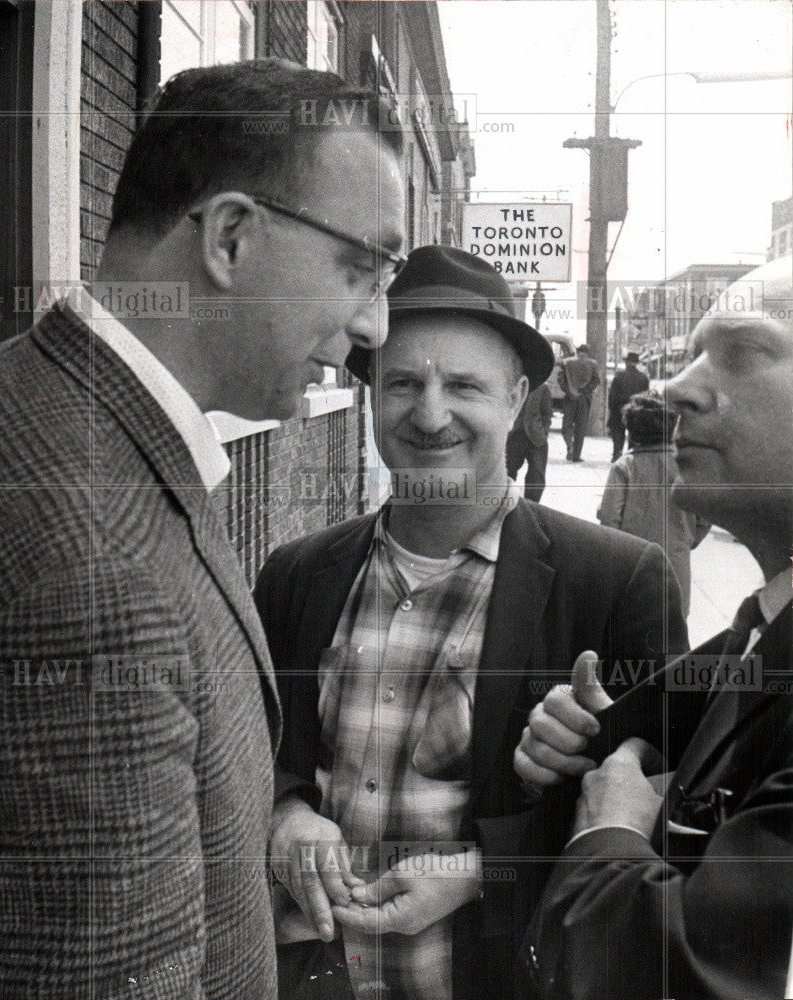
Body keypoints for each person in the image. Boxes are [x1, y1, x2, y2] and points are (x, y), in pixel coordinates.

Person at [0, 60, 405, 999]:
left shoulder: (36, 403)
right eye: (360, 268)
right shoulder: (97, 572)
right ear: (231, 237)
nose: (374, 326)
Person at [254, 245, 687, 1000]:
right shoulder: (295, 576)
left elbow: (668, 814)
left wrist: (482, 870)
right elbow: (247, 750)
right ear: (370, 398)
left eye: (462, 385)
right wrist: (286, 811)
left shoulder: (616, 583)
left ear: (517, 399)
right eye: (402, 384)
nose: (429, 414)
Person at [514, 255, 792, 999]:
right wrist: (605, 743)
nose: (676, 387)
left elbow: (696, 973)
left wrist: (609, 830)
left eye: (740, 354)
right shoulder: (756, 637)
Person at [598, 392, 709, 616]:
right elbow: (705, 517)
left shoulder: (624, 466)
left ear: (633, 431)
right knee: (673, 630)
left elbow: (609, 518)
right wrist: (686, 541)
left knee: (632, 631)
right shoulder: (686, 467)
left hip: (632, 563)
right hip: (676, 562)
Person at [506, 381, 553, 502]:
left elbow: (547, 413)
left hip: (536, 437)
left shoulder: (543, 387)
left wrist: (544, 431)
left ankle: (532, 506)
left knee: (537, 475)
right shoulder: (514, 384)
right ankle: (506, 502)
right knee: (507, 471)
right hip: (515, 435)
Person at [559, 344, 600, 462]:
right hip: (585, 399)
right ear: (587, 353)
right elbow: (596, 380)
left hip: (570, 398)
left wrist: (569, 391)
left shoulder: (567, 362)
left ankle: (569, 446)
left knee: (567, 425)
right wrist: (585, 390)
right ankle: (576, 455)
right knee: (580, 427)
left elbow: (561, 379)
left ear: (577, 351)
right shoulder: (593, 364)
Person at [607, 350, 649, 461]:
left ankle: (617, 453)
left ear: (627, 363)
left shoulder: (619, 376)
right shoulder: (643, 377)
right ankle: (631, 456)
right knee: (634, 434)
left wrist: (612, 410)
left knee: (618, 433)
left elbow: (612, 396)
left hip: (619, 409)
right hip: (636, 409)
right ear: (637, 363)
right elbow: (646, 397)